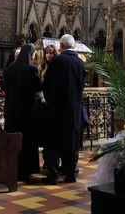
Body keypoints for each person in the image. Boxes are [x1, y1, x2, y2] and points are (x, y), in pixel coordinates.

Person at [42, 34, 86, 185]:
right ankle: (71, 174)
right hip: (74, 110)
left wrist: (49, 101)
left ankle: (53, 175)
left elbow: (47, 84)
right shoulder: (81, 63)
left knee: (53, 143)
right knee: (72, 143)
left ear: (61, 45)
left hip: (56, 109)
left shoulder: (57, 60)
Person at [3, 44, 43, 181]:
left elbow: (4, 87)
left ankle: (12, 168)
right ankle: (27, 170)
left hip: (12, 111)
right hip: (28, 112)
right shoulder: (32, 69)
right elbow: (39, 86)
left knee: (13, 140)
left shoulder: (9, 69)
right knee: (27, 141)